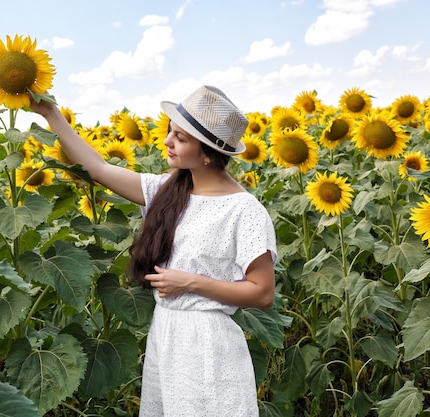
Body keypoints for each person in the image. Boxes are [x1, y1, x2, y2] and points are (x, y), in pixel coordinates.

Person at [29, 85, 277, 417]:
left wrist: (190, 283)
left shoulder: (244, 211)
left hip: (208, 346)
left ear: (208, 153)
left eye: (181, 138)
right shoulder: (167, 190)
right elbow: (98, 169)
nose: (167, 142)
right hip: (167, 335)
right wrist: (51, 114)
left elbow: (262, 293)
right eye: (170, 132)